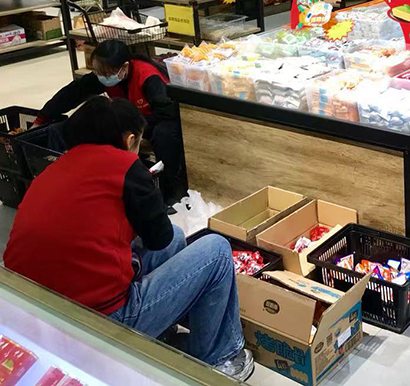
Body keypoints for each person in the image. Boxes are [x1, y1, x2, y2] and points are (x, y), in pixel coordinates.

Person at [3, 97, 253, 380]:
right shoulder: (124, 166)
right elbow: (158, 237)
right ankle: (218, 359)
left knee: (176, 239)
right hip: (100, 324)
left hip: (32, 313)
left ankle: (162, 335)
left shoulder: (54, 170)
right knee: (216, 250)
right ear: (130, 139)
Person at [35, 39, 186, 206]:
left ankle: (171, 190)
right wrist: (42, 118)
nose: (103, 77)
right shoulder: (105, 75)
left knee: (165, 135)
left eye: (106, 73)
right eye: (98, 72)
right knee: (89, 120)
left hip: (158, 121)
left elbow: (167, 113)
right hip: (131, 120)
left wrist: (136, 127)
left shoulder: (148, 77)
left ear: (125, 67)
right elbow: (72, 93)